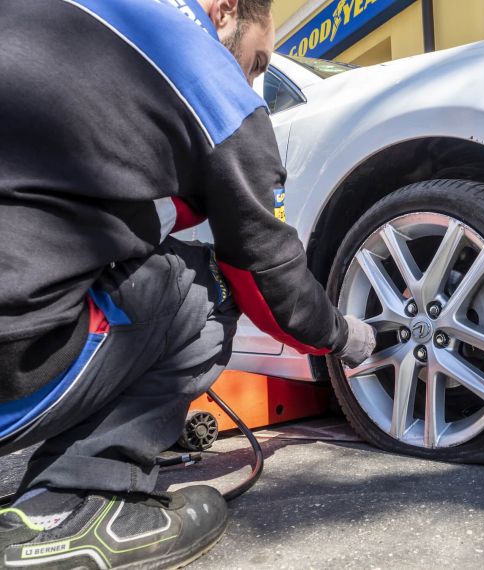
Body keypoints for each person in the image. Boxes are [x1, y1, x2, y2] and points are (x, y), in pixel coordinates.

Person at [0, 0, 376, 567]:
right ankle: (80, 503)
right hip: (14, 369)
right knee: (209, 284)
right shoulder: (214, 88)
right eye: (257, 62)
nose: (251, 82)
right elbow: (267, 282)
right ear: (224, 10)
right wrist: (345, 337)